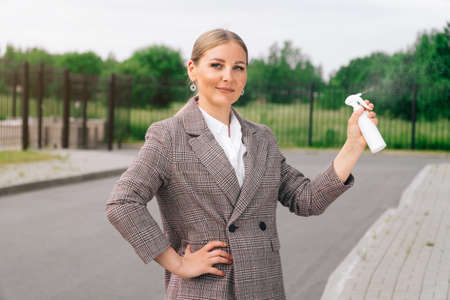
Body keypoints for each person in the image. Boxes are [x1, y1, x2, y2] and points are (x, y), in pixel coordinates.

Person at [106, 28, 378, 300]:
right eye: (216, 65)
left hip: (264, 287)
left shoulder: (262, 138)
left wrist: (353, 144)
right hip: (206, 289)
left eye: (239, 67)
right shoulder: (169, 136)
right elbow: (123, 203)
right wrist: (177, 263)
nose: (228, 77)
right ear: (193, 69)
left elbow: (307, 199)